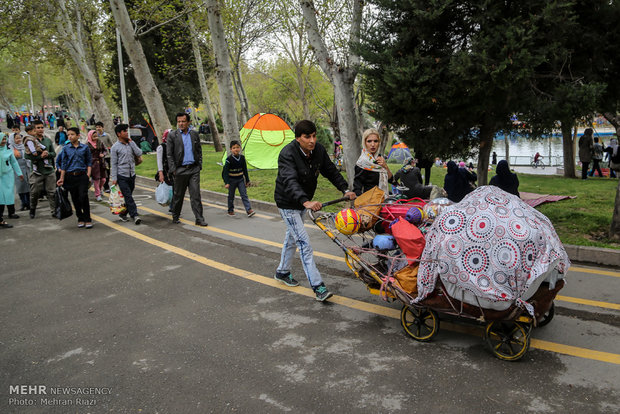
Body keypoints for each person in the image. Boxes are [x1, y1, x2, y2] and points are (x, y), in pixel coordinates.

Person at [273, 120, 356, 301]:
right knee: (303, 243)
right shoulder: (287, 154)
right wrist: (306, 201)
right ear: (298, 138)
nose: (312, 140)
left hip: (303, 202)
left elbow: (330, 171)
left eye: (314, 136)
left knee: (292, 237)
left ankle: (282, 272)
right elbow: (289, 180)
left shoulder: (318, 150)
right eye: (307, 137)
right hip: (288, 203)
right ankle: (318, 287)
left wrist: (345, 189)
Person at [167, 112, 207, 226]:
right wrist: (173, 169)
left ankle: (199, 218)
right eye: (179, 121)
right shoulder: (172, 135)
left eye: (183, 121)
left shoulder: (194, 134)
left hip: (194, 169)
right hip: (180, 170)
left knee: (195, 195)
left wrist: (199, 165)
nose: (181, 124)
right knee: (178, 195)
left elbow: (199, 151)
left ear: (188, 122)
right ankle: (175, 216)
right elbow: (169, 154)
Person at [56, 128, 93, 228]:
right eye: (68, 135)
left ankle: (88, 218)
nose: (70, 136)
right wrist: (62, 178)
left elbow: (89, 162)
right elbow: (63, 164)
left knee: (83, 197)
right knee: (75, 198)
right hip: (70, 176)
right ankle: (80, 218)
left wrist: (88, 175)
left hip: (82, 176)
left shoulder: (85, 148)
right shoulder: (66, 148)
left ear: (78, 135)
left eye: (72, 134)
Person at [110, 123, 142, 225]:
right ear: (119, 134)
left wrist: (132, 143)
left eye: (127, 131)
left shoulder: (131, 144)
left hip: (131, 174)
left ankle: (123, 214)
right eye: (124, 131)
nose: (127, 133)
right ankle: (135, 215)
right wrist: (114, 178)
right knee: (128, 196)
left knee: (128, 196)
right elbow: (114, 163)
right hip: (121, 176)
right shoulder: (115, 147)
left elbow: (139, 153)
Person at [24, 120, 56, 219]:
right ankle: (32, 209)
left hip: (49, 170)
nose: (40, 129)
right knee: (34, 193)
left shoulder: (47, 140)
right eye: (38, 128)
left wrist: (48, 154)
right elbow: (27, 156)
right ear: (33, 129)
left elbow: (53, 153)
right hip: (36, 171)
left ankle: (54, 211)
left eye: (42, 127)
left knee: (52, 192)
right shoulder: (30, 140)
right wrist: (40, 157)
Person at [353, 128, 393, 195]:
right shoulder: (363, 163)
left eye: (375, 141)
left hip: (383, 199)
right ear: (364, 143)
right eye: (369, 141)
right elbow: (357, 189)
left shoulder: (379, 158)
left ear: (379, 143)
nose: (372, 144)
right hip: (371, 202)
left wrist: (385, 166)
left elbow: (392, 180)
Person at [222, 140, 255, 217]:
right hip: (232, 180)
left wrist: (247, 180)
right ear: (231, 149)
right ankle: (230, 210)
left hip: (240, 180)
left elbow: (245, 170)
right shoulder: (228, 160)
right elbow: (225, 173)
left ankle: (249, 210)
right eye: (234, 148)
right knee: (231, 196)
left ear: (240, 148)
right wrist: (226, 182)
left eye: (237, 147)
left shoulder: (242, 158)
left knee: (244, 195)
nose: (236, 149)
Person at [0, 133, 24, 228]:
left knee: (9, 194)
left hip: (8, 175)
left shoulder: (9, 150)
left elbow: (14, 163)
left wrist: (19, 173)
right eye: (2, 139)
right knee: (0, 196)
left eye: (5, 139)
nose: (4, 141)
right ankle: (1, 216)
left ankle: (11, 212)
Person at [11, 131, 31, 210]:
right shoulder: (11, 148)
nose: (19, 140)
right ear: (13, 139)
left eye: (20, 138)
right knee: (20, 187)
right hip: (17, 170)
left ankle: (28, 203)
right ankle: (23, 202)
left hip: (26, 168)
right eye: (16, 138)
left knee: (28, 186)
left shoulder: (24, 146)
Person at [87, 130, 107, 201]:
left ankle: (100, 189)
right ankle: (97, 195)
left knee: (103, 179)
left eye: (96, 136)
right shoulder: (87, 144)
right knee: (96, 180)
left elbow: (105, 150)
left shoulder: (100, 143)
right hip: (93, 164)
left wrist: (103, 154)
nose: (96, 138)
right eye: (94, 136)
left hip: (101, 163)